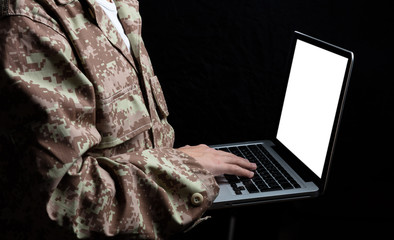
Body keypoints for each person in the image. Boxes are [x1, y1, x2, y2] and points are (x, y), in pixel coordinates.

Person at [0, 0, 256, 239]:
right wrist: (185, 170)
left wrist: (186, 172)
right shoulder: (28, 21)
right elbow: (63, 200)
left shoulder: (121, 5)